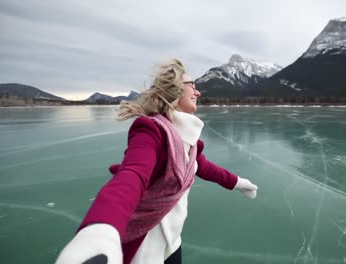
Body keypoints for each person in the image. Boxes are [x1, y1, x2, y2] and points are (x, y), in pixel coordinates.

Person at [55, 59, 258, 264]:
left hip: (172, 244)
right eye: (192, 86)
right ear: (174, 89)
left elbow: (202, 166)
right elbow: (132, 175)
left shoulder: (188, 140)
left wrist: (239, 183)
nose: (198, 93)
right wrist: (100, 229)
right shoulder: (152, 131)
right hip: (145, 248)